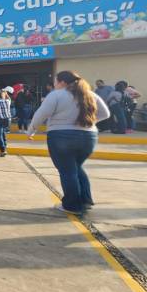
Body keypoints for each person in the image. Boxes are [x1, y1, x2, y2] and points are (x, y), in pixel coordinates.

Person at [28, 71, 110, 215]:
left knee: (68, 171)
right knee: (76, 167)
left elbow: (42, 114)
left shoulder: (56, 95)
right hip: (89, 137)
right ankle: (85, 200)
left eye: (55, 81)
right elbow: (105, 114)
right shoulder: (90, 94)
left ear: (63, 82)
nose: (54, 84)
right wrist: (87, 122)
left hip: (61, 136)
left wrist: (31, 130)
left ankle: (72, 205)